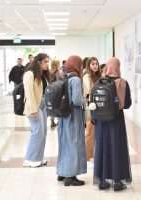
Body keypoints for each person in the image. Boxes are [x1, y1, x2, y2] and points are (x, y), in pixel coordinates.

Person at [93, 57, 132, 191]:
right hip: (116, 119)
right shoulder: (123, 83)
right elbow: (127, 104)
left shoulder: (99, 82)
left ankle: (102, 181)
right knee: (117, 147)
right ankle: (117, 181)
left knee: (102, 147)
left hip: (100, 120)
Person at [56, 55, 87, 186]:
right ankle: (71, 176)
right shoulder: (75, 79)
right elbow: (76, 100)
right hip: (73, 117)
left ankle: (62, 172)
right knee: (74, 144)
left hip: (63, 116)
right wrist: (85, 100)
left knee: (64, 144)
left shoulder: (64, 77)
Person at [22, 53, 50, 167]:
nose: (47, 64)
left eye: (48, 61)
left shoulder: (42, 75)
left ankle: (39, 157)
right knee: (37, 132)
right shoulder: (29, 74)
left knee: (43, 133)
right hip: (33, 106)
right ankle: (29, 159)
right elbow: (29, 93)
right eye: (45, 61)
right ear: (39, 62)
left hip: (42, 104)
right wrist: (34, 109)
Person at [83, 57, 102, 161]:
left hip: (99, 107)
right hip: (90, 107)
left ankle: (95, 155)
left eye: (96, 64)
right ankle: (87, 156)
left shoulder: (99, 76)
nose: (95, 66)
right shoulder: (87, 76)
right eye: (92, 64)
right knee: (90, 132)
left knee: (98, 132)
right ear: (88, 66)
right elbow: (90, 90)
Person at [50, 59, 61, 127]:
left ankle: (52, 121)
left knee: (52, 107)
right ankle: (58, 121)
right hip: (56, 90)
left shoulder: (49, 71)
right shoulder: (57, 71)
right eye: (58, 63)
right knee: (57, 106)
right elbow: (59, 81)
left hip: (50, 90)